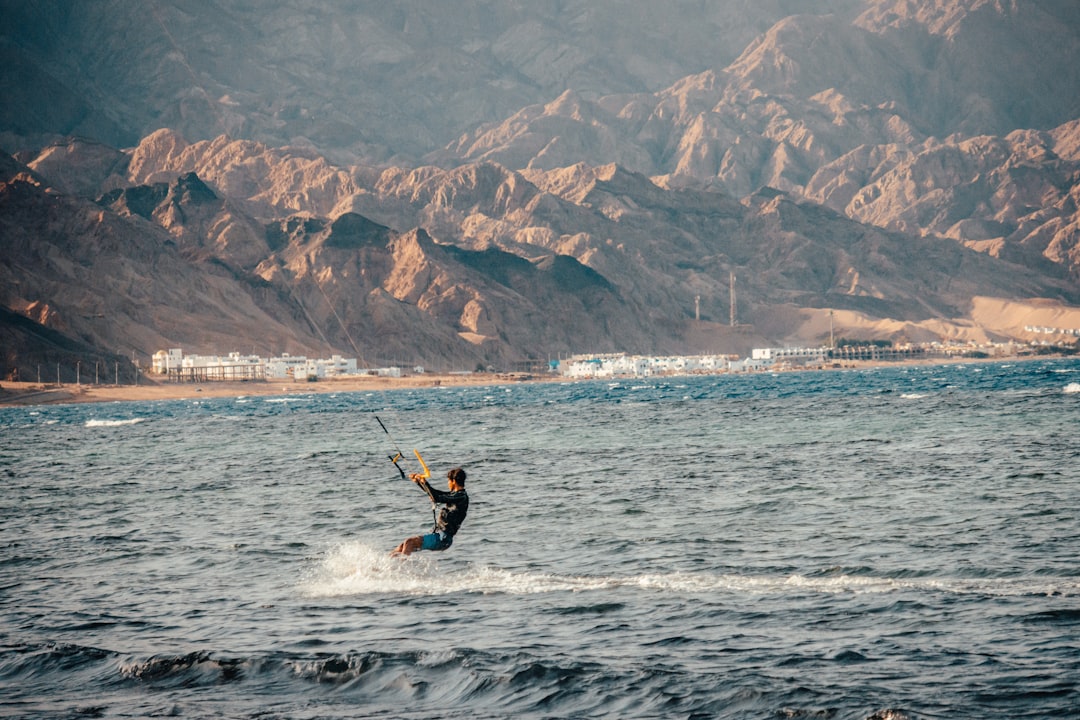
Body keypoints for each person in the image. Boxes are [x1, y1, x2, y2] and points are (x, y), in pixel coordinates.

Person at [392, 467, 469, 556]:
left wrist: (425, 483)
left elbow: (436, 497)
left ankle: (402, 567)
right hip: (439, 535)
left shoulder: (461, 497)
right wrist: (419, 482)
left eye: (449, 481)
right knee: (402, 546)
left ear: (454, 481)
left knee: (409, 542)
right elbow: (435, 493)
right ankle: (383, 565)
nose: (448, 483)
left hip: (443, 539)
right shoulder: (455, 494)